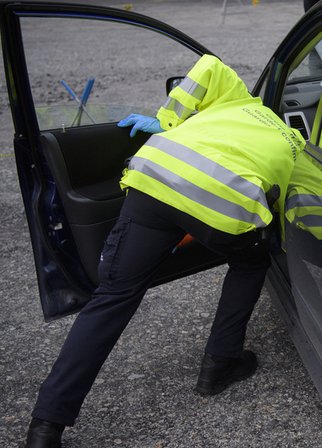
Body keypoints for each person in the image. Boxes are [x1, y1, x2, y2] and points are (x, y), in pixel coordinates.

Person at [25, 54, 305, 448]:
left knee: (112, 297)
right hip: (222, 204)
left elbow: (208, 65)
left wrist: (168, 121)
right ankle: (219, 364)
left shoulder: (238, 99)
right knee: (251, 260)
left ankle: (45, 425)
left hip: (155, 176)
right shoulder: (298, 145)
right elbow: (301, 209)